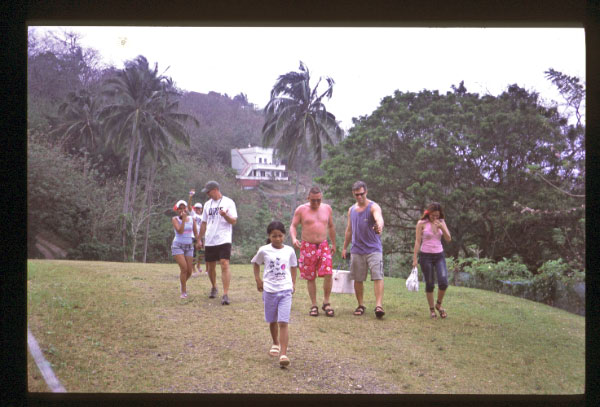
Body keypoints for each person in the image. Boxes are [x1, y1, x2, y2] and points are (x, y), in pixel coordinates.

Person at [251, 221, 298, 367]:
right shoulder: (264, 250)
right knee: (273, 320)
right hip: (269, 290)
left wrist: (293, 284)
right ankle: (275, 343)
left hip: (285, 290)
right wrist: (258, 280)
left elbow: (294, 266)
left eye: (280, 236)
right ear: (269, 236)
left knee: (283, 322)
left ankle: (283, 354)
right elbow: (256, 263)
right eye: (274, 236)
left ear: (284, 235)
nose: (277, 239)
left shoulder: (289, 250)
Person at [341, 181, 386, 318]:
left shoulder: (373, 206)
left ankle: (379, 305)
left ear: (366, 192)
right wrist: (344, 247)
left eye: (361, 194)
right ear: (353, 194)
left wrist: (379, 226)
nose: (359, 197)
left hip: (373, 249)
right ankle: (360, 305)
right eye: (356, 195)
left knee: (377, 276)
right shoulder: (351, 210)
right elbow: (349, 230)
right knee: (358, 278)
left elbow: (379, 218)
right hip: (357, 249)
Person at [290, 186, 336, 317]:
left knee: (328, 273)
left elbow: (331, 226)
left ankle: (326, 302)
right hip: (307, 246)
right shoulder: (301, 210)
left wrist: (333, 243)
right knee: (310, 276)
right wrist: (294, 238)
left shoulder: (327, 209)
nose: (316, 203)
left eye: (318, 200)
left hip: (323, 245)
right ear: (308, 198)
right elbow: (293, 225)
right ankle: (314, 305)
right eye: (313, 200)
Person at [198, 180, 238, 305]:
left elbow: (233, 221)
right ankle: (214, 287)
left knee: (224, 263)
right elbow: (204, 223)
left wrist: (225, 215)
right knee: (210, 266)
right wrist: (199, 238)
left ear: (215, 190)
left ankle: (225, 294)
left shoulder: (228, 202)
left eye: (208, 192)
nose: (207, 194)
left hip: (224, 238)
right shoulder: (207, 205)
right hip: (210, 239)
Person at [412, 202, 452, 319]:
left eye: (437, 215)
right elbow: (417, 241)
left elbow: (448, 239)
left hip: (439, 255)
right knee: (429, 283)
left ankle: (438, 305)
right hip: (425, 256)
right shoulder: (421, 223)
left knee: (443, 282)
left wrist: (441, 227)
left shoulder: (441, 222)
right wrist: (415, 258)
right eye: (433, 215)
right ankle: (431, 310)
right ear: (428, 213)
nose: (435, 217)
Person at [171, 200, 200, 298]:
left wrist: (199, 241)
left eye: (184, 208)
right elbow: (180, 231)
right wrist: (183, 220)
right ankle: (183, 291)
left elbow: (195, 232)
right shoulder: (175, 219)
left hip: (189, 246)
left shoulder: (192, 219)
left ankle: (182, 283)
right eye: (180, 208)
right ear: (177, 209)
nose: (182, 210)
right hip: (177, 246)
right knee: (184, 268)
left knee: (189, 271)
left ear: (187, 209)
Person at [187, 190, 205, 276]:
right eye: (196, 208)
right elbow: (189, 206)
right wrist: (190, 197)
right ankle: (193, 269)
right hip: (192, 235)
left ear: (201, 209)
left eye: (199, 208)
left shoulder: (204, 216)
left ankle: (198, 265)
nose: (197, 210)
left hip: (200, 236)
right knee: (193, 252)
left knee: (202, 252)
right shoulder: (193, 214)